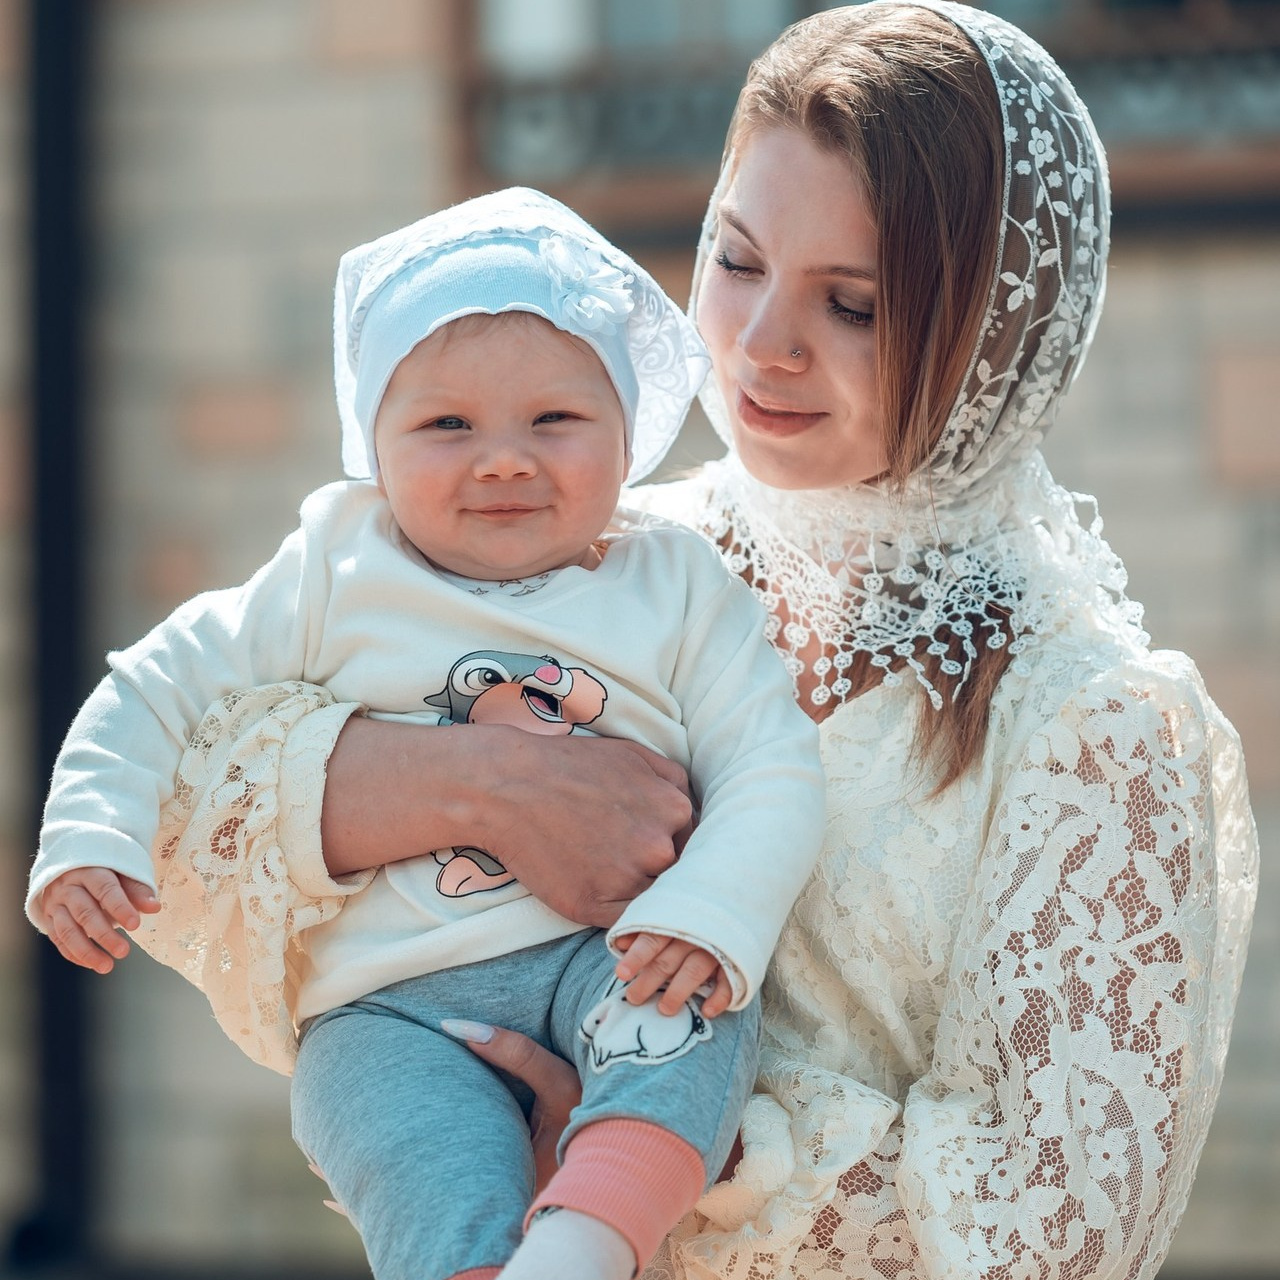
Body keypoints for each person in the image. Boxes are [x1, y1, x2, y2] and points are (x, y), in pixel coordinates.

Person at [31, 1, 1261, 1278]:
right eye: (735, 259)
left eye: (852, 303)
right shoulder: (601, 544)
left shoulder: (1097, 726)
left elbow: (1056, 1234)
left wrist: (687, 1152)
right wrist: (473, 785)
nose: (762, 344)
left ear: (994, 335)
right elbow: (180, 786)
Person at [25, 188, 829, 1280]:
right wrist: (91, 831)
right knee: (390, 1126)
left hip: (612, 954)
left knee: (694, 1015)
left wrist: (709, 910)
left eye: (554, 419)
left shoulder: (675, 583)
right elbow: (156, 681)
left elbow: (768, 763)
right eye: (446, 424)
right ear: (375, 443)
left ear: (628, 435)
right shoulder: (333, 565)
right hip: (390, 1001)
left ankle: (589, 1238)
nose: (502, 458)